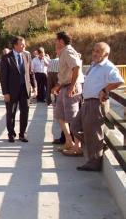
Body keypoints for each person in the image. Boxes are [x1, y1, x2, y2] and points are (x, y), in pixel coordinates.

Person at [71, 42, 124, 171]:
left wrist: (105, 90)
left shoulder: (108, 67)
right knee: (74, 127)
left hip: (96, 103)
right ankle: (98, 147)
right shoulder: (95, 65)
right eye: (94, 50)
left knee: (93, 133)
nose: (94, 53)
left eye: (98, 51)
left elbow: (119, 81)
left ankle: (94, 162)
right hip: (87, 102)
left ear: (106, 54)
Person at [52, 31, 85, 156]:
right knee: (60, 115)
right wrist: (59, 86)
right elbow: (66, 73)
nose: (55, 42)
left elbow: (76, 68)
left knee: (73, 118)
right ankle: (69, 141)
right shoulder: (65, 52)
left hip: (71, 88)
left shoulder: (68, 51)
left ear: (60, 41)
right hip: (64, 87)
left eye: (56, 40)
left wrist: (72, 86)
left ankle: (78, 146)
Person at [0, 36, 37, 143]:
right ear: (15, 45)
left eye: (24, 44)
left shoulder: (27, 55)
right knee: (11, 113)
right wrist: (5, 92)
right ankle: (11, 134)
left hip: (25, 89)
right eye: (22, 44)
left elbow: (31, 72)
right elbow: (3, 77)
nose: (24, 46)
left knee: (25, 112)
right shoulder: (6, 57)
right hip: (11, 91)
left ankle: (22, 134)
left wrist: (35, 86)